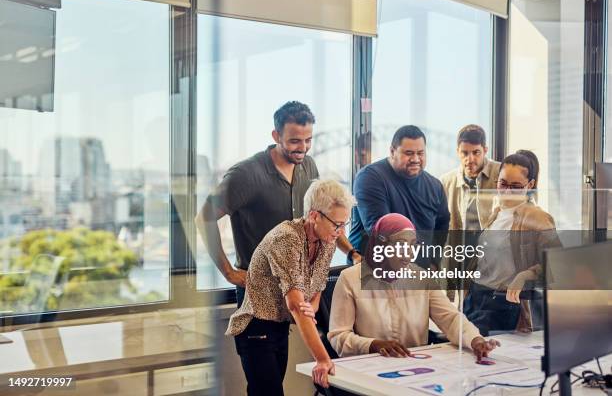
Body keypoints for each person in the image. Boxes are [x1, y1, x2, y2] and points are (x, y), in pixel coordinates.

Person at [226, 180, 355, 396]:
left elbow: (316, 289)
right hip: (256, 327)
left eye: (345, 224)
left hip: (280, 326)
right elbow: (295, 303)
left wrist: (310, 307)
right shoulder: (287, 238)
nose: (340, 232)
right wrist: (323, 359)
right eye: (336, 224)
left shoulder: (327, 241)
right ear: (314, 216)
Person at [195, 101, 319, 306]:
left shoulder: (308, 165)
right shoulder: (245, 174)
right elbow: (203, 218)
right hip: (257, 290)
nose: (303, 148)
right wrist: (229, 273)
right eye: (295, 141)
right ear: (276, 136)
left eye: (308, 140)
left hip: (296, 287)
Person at [328, 213, 500, 359]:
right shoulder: (349, 279)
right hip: (368, 368)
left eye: (413, 245)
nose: (409, 253)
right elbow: (339, 337)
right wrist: (372, 345)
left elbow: (451, 318)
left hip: (416, 366)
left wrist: (475, 340)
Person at [463, 150, 561, 336]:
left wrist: (525, 275)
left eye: (515, 186)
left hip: (504, 303)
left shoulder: (538, 218)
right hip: (476, 297)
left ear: (530, 185)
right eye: (503, 183)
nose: (507, 191)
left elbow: (557, 262)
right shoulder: (497, 212)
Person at [348, 125, 450, 268]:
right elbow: (381, 234)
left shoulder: (435, 186)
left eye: (420, 153)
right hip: (375, 275)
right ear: (392, 151)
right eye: (408, 153)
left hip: (419, 275)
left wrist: (433, 261)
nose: (415, 159)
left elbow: (442, 225)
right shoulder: (369, 178)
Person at [441, 125, 500, 299]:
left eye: (476, 152)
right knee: (459, 311)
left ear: (485, 150)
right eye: (464, 153)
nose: (470, 159)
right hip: (460, 257)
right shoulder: (446, 181)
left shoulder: (500, 174)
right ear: (457, 151)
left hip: (491, 256)